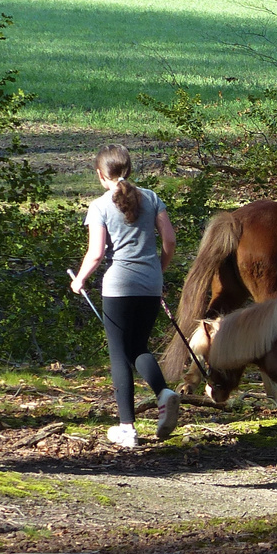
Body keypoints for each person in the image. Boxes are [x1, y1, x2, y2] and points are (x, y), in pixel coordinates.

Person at [71, 145, 180, 448]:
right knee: (138, 347)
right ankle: (164, 393)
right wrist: (158, 270)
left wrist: (80, 280)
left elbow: (95, 254)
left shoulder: (99, 206)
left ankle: (127, 428)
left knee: (119, 354)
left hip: (118, 285)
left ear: (100, 174)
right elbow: (169, 239)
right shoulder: (152, 198)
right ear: (129, 169)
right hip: (149, 283)